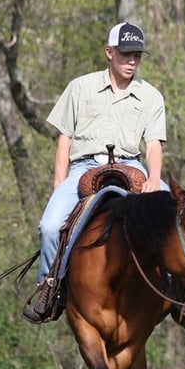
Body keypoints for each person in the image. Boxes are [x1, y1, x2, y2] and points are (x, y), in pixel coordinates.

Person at [23, 22, 169, 323]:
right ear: (109, 52)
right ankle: (52, 289)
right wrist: (58, 185)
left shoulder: (151, 96)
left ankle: (178, 290)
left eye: (137, 55)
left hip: (132, 166)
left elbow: (153, 144)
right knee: (49, 227)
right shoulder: (80, 87)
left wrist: (154, 178)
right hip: (85, 167)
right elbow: (64, 140)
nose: (132, 61)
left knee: (173, 215)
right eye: (125, 53)